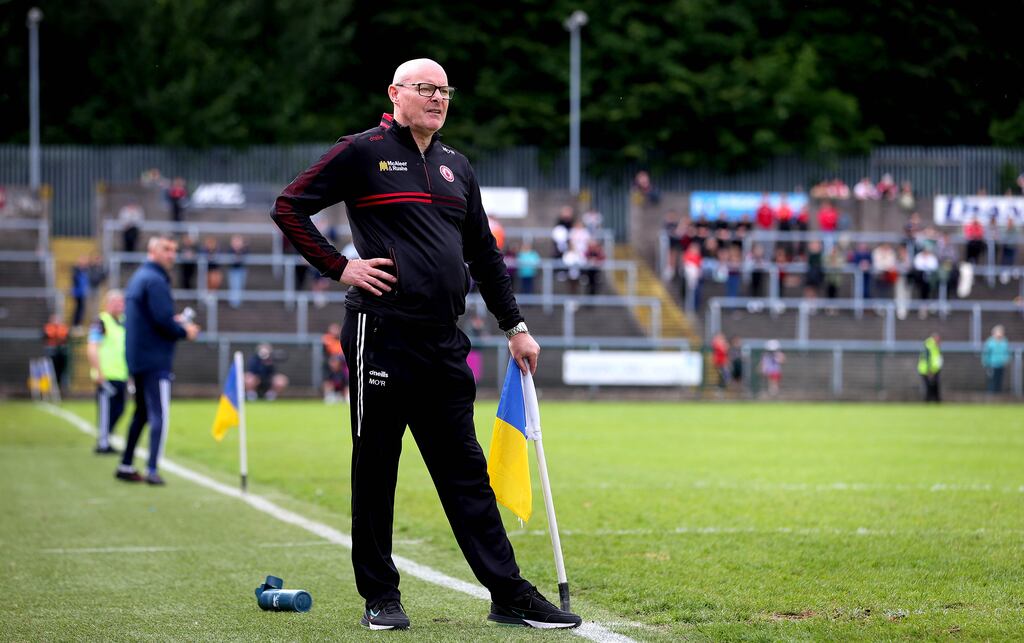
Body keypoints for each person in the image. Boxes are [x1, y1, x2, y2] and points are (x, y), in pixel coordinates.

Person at [270, 58, 580, 631]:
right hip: (379, 335)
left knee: (466, 471)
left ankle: (507, 593)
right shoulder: (361, 151)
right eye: (425, 89)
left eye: (444, 91)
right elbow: (288, 206)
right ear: (395, 93)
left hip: (443, 344)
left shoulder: (456, 167)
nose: (437, 99)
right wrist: (341, 267)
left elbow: (484, 256)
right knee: (377, 467)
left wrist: (516, 328)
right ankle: (380, 596)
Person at [117, 235, 200, 485]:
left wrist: (171, 323)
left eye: (174, 250)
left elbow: (152, 318)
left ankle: (126, 464)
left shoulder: (141, 277)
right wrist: (185, 330)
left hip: (138, 358)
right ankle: (152, 469)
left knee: (141, 412)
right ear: (152, 251)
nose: (171, 254)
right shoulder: (154, 280)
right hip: (154, 360)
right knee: (158, 415)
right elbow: (163, 321)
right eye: (166, 249)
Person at [87, 289, 128, 455]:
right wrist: (99, 371)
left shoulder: (124, 322)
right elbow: (92, 347)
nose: (119, 305)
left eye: (121, 302)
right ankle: (103, 443)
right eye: (115, 302)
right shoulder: (101, 322)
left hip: (121, 374)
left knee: (120, 408)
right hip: (106, 375)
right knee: (106, 410)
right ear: (108, 303)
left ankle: (107, 436)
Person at [322, 323, 349, 403]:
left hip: (342, 364)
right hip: (329, 364)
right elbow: (326, 353)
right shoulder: (327, 339)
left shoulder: (342, 339)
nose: (335, 331)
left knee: (347, 378)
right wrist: (332, 361)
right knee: (328, 379)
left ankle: (346, 396)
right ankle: (329, 395)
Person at [42, 313, 70, 392]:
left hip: (61, 354)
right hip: (52, 354)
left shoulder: (63, 328)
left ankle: (59, 387)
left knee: (60, 371)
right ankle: (49, 388)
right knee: (50, 371)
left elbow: (67, 337)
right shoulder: (48, 328)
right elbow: (45, 337)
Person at [981, 325, 1010, 394]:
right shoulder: (990, 342)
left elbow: (1007, 352)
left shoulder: (1004, 341)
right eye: (998, 332)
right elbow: (986, 353)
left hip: (1001, 365)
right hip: (992, 365)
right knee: (992, 380)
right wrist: (986, 363)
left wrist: (1006, 360)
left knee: (999, 380)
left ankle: (998, 396)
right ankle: (991, 396)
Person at [918, 332, 942, 403]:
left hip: (934, 370)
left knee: (935, 386)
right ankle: (927, 401)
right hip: (927, 371)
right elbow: (927, 359)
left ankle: (936, 401)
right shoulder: (929, 346)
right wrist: (929, 370)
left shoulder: (935, 346)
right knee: (928, 387)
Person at [226, 234, 248, 308]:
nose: (237, 243)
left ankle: (238, 301)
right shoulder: (230, 250)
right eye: (235, 242)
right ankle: (234, 302)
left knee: (240, 285)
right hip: (233, 270)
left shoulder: (244, 250)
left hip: (241, 270)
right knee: (234, 285)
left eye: (238, 242)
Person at [71, 256, 91, 330]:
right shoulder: (76, 271)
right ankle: (76, 324)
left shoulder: (85, 271)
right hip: (78, 293)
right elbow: (76, 281)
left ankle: (78, 324)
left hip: (83, 293)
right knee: (78, 309)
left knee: (81, 309)